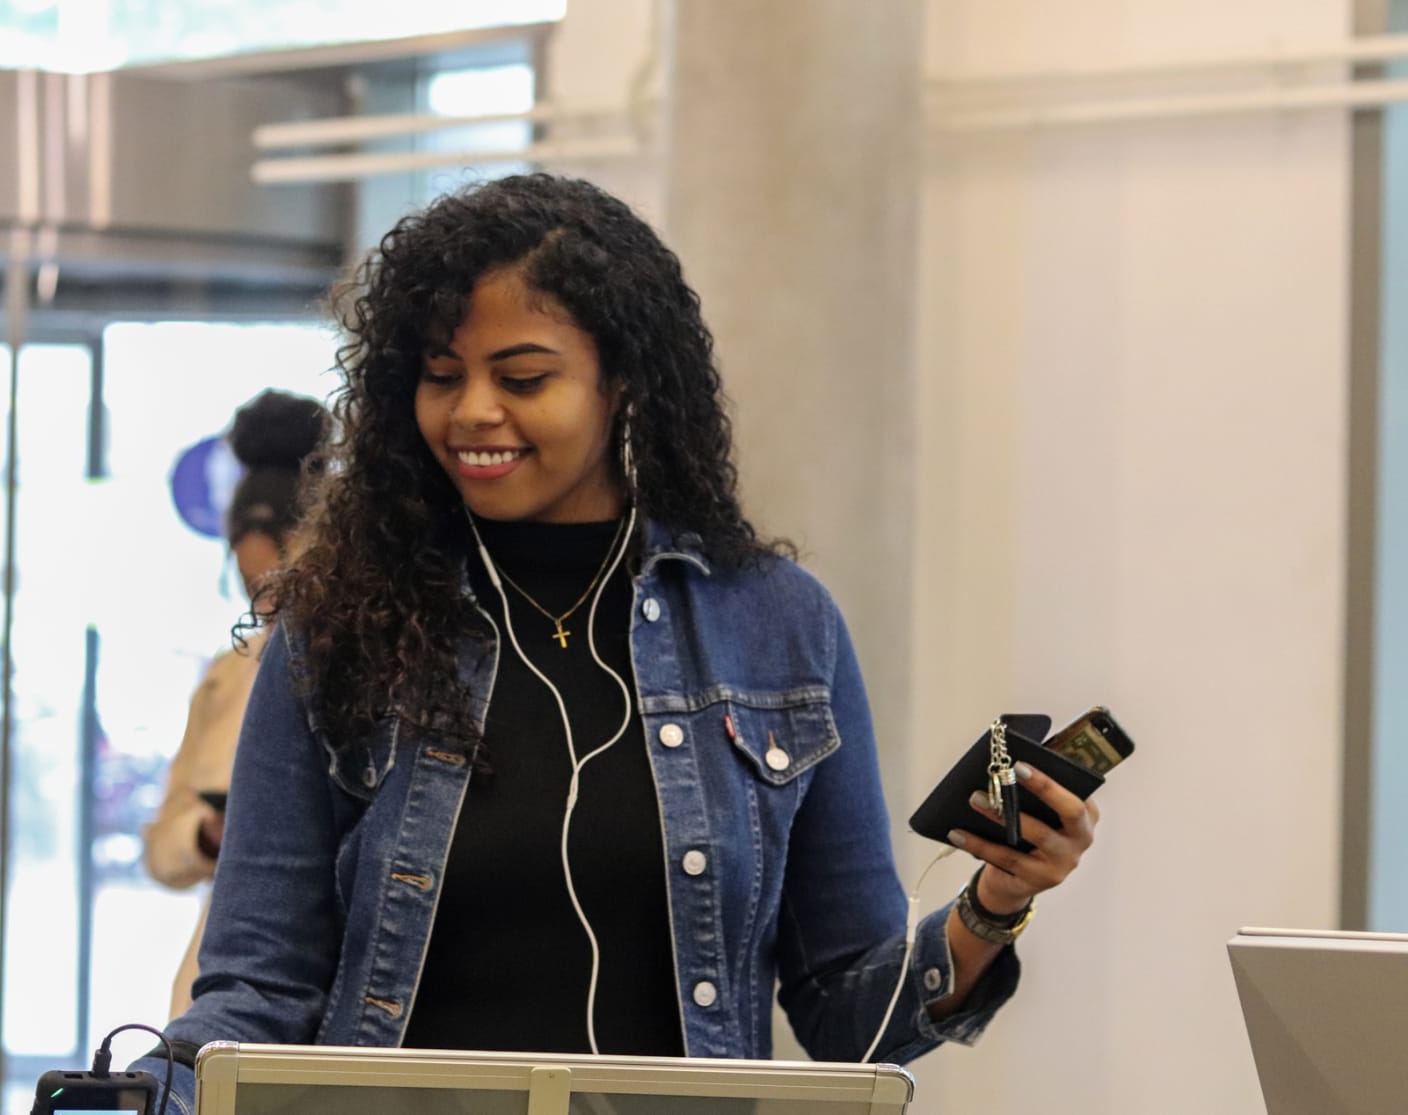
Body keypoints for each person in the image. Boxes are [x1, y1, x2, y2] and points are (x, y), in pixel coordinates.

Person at [132, 175, 1100, 1110]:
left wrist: (995, 900)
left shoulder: (778, 626)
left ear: (623, 381)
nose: (472, 411)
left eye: (523, 377)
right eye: (440, 376)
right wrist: (138, 1093)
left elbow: (853, 1018)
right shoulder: (336, 629)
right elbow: (255, 991)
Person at [142, 390, 328, 1019]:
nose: (271, 611)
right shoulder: (227, 676)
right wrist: (207, 834)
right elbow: (161, 847)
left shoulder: (370, 670)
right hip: (224, 979)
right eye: (254, 591)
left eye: (283, 587)